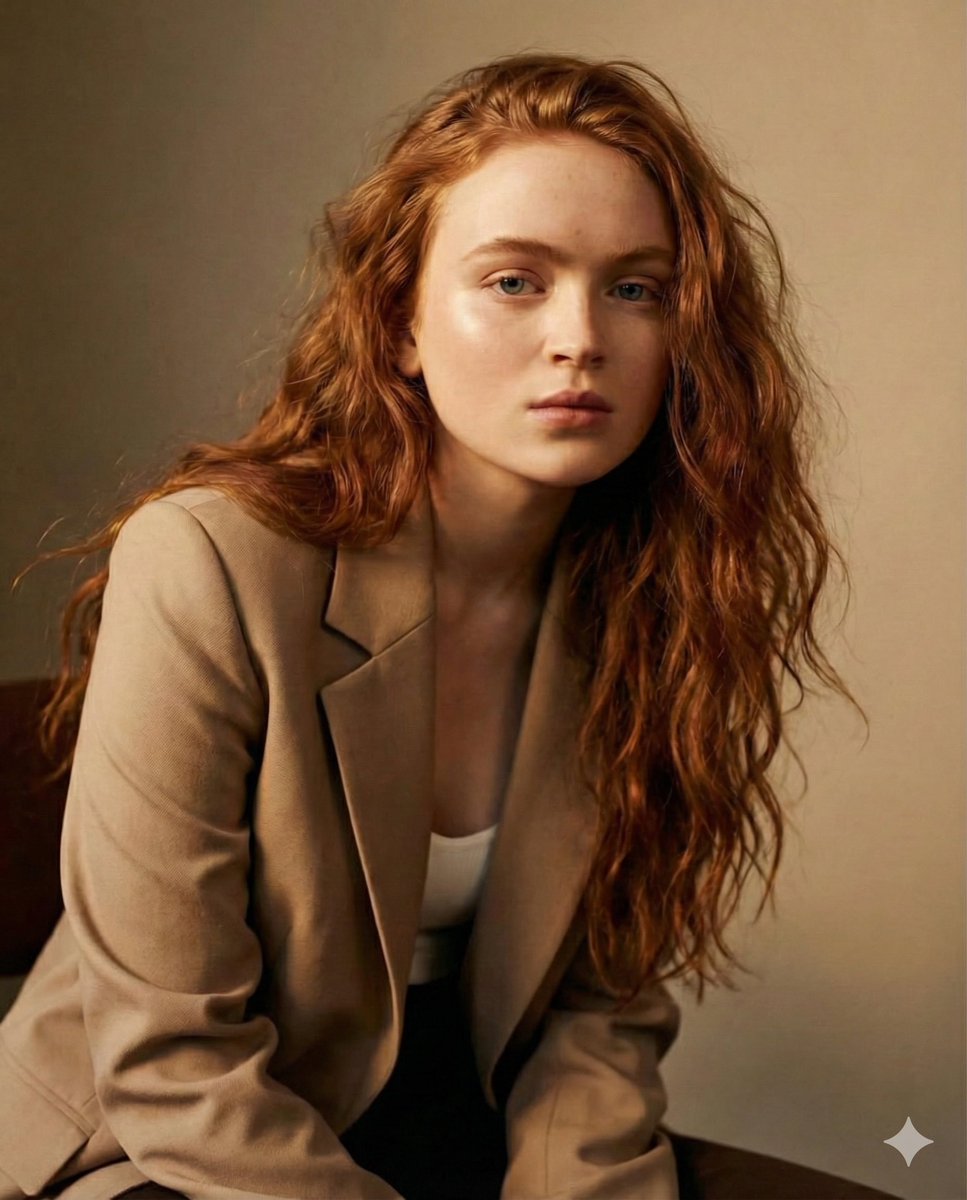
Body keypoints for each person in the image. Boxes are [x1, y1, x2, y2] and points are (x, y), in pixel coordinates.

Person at [0, 52, 900, 1200]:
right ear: (401, 322)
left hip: (463, 1129)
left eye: (637, 288)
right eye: (516, 281)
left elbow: (594, 1025)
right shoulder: (211, 561)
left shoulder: (658, 601)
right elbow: (173, 1061)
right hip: (177, 1146)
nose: (580, 337)